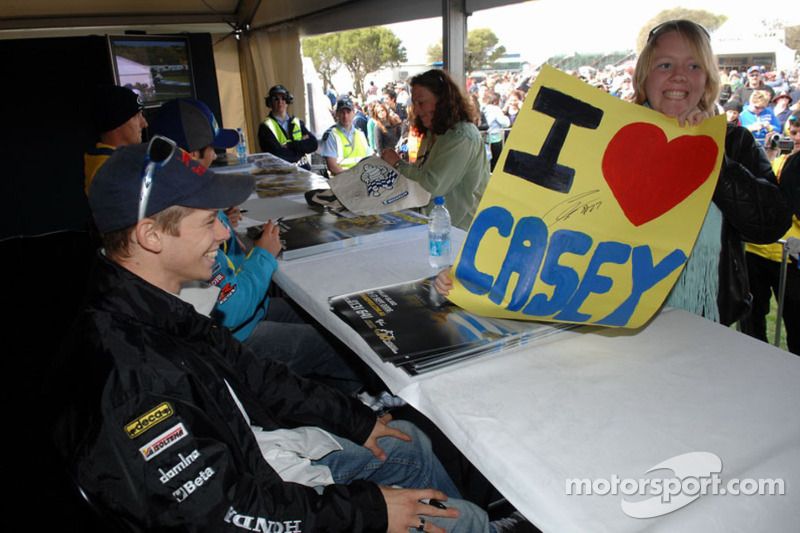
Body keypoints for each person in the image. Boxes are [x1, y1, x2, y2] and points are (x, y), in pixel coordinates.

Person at [51, 141, 534, 533]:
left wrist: (354, 419)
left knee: (405, 443)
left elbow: (255, 375)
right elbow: (221, 514)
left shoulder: (151, 306)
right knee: (452, 515)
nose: (224, 233)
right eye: (207, 221)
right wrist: (370, 514)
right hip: (250, 497)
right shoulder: (131, 375)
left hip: (250, 457)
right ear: (151, 235)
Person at [151, 98, 364, 394]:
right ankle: (358, 400)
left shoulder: (172, 201)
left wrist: (223, 217)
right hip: (234, 337)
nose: (215, 155)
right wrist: (263, 254)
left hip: (247, 312)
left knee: (326, 316)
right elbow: (230, 305)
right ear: (189, 155)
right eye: (210, 148)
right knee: (343, 348)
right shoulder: (182, 225)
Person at [380, 69, 491, 230]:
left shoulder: (461, 136)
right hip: (438, 226)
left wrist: (397, 164)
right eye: (414, 103)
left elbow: (433, 185)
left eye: (422, 103)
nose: (416, 110)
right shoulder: (436, 132)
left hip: (459, 232)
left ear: (442, 101)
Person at [741, 118, 800, 354]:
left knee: (796, 323)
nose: (795, 137)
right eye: (793, 132)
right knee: (751, 318)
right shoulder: (778, 161)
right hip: (757, 251)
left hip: (792, 259)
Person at [84, 84, 148, 192]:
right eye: (137, 116)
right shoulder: (110, 172)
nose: (144, 123)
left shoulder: (105, 159)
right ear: (118, 122)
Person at [258, 84, 318, 169]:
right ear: (270, 103)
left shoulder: (297, 122)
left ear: (288, 101)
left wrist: (290, 145)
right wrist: (301, 148)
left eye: (283, 98)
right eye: (276, 99)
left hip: (305, 172)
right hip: (283, 176)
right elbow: (276, 155)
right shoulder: (265, 127)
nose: (280, 102)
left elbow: (313, 144)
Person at [321, 96, 373, 175]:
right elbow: (332, 167)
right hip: (342, 182)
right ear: (337, 114)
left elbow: (370, 158)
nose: (345, 116)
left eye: (348, 112)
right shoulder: (331, 135)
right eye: (342, 112)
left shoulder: (360, 134)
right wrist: (354, 176)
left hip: (361, 181)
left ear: (353, 113)